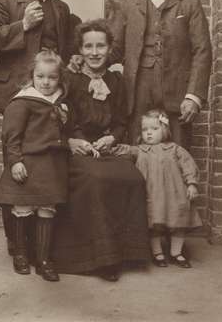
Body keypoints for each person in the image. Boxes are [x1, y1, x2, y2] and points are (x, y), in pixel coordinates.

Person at [0, 0, 75, 255]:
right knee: (14, 165)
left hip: (47, 98)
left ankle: (40, 246)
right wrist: (23, 25)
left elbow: (62, 56)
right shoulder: (6, 0)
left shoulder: (60, 8)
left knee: (44, 166)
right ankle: (15, 244)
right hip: (14, 98)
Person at [69, 0, 211, 147]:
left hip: (177, 95)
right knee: (137, 155)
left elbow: (202, 51)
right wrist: (84, 61)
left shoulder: (189, 4)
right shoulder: (129, 6)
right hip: (137, 92)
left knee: (179, 154)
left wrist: (193, 96)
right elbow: (115, 49)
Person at [52, 19, 150, 281]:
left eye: (100, 46)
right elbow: (56, 118)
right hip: (76, 148)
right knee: (96, 179)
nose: (94, 53)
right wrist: (72, 141)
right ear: (80, 50)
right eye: (88, 46)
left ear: (109, 49)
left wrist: (112, 138)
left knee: (133, 177)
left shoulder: (115, 81)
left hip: (105, 148)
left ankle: (127, 251)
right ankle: (101, 258)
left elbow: (120, 122)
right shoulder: (69, 79)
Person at [0, 50, 70, 281]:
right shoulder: (23, 101)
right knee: (23, 208)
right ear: (32, 76)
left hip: (51, 166)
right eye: (41, 76)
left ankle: (43, 259)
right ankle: (21, 254)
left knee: (46, 209)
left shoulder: (60, 102)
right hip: (28, 164)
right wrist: (15, 161)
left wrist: (65, 119)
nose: (46, 82)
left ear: (59, 78)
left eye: (52, 77)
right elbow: (11, 137)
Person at [112, 109, 202, 268]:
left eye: (154, 129)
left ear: (165, 130)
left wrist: (192, 184)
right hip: (152, 195)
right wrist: (110, 147)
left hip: (175, 194)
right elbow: (124, 150)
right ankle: (157, 253)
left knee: (178, 222)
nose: (148, 133)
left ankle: (176, 252)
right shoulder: (140, 150)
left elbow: (189, 166)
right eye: (145, 129)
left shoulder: (175, 149)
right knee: (154, 224)